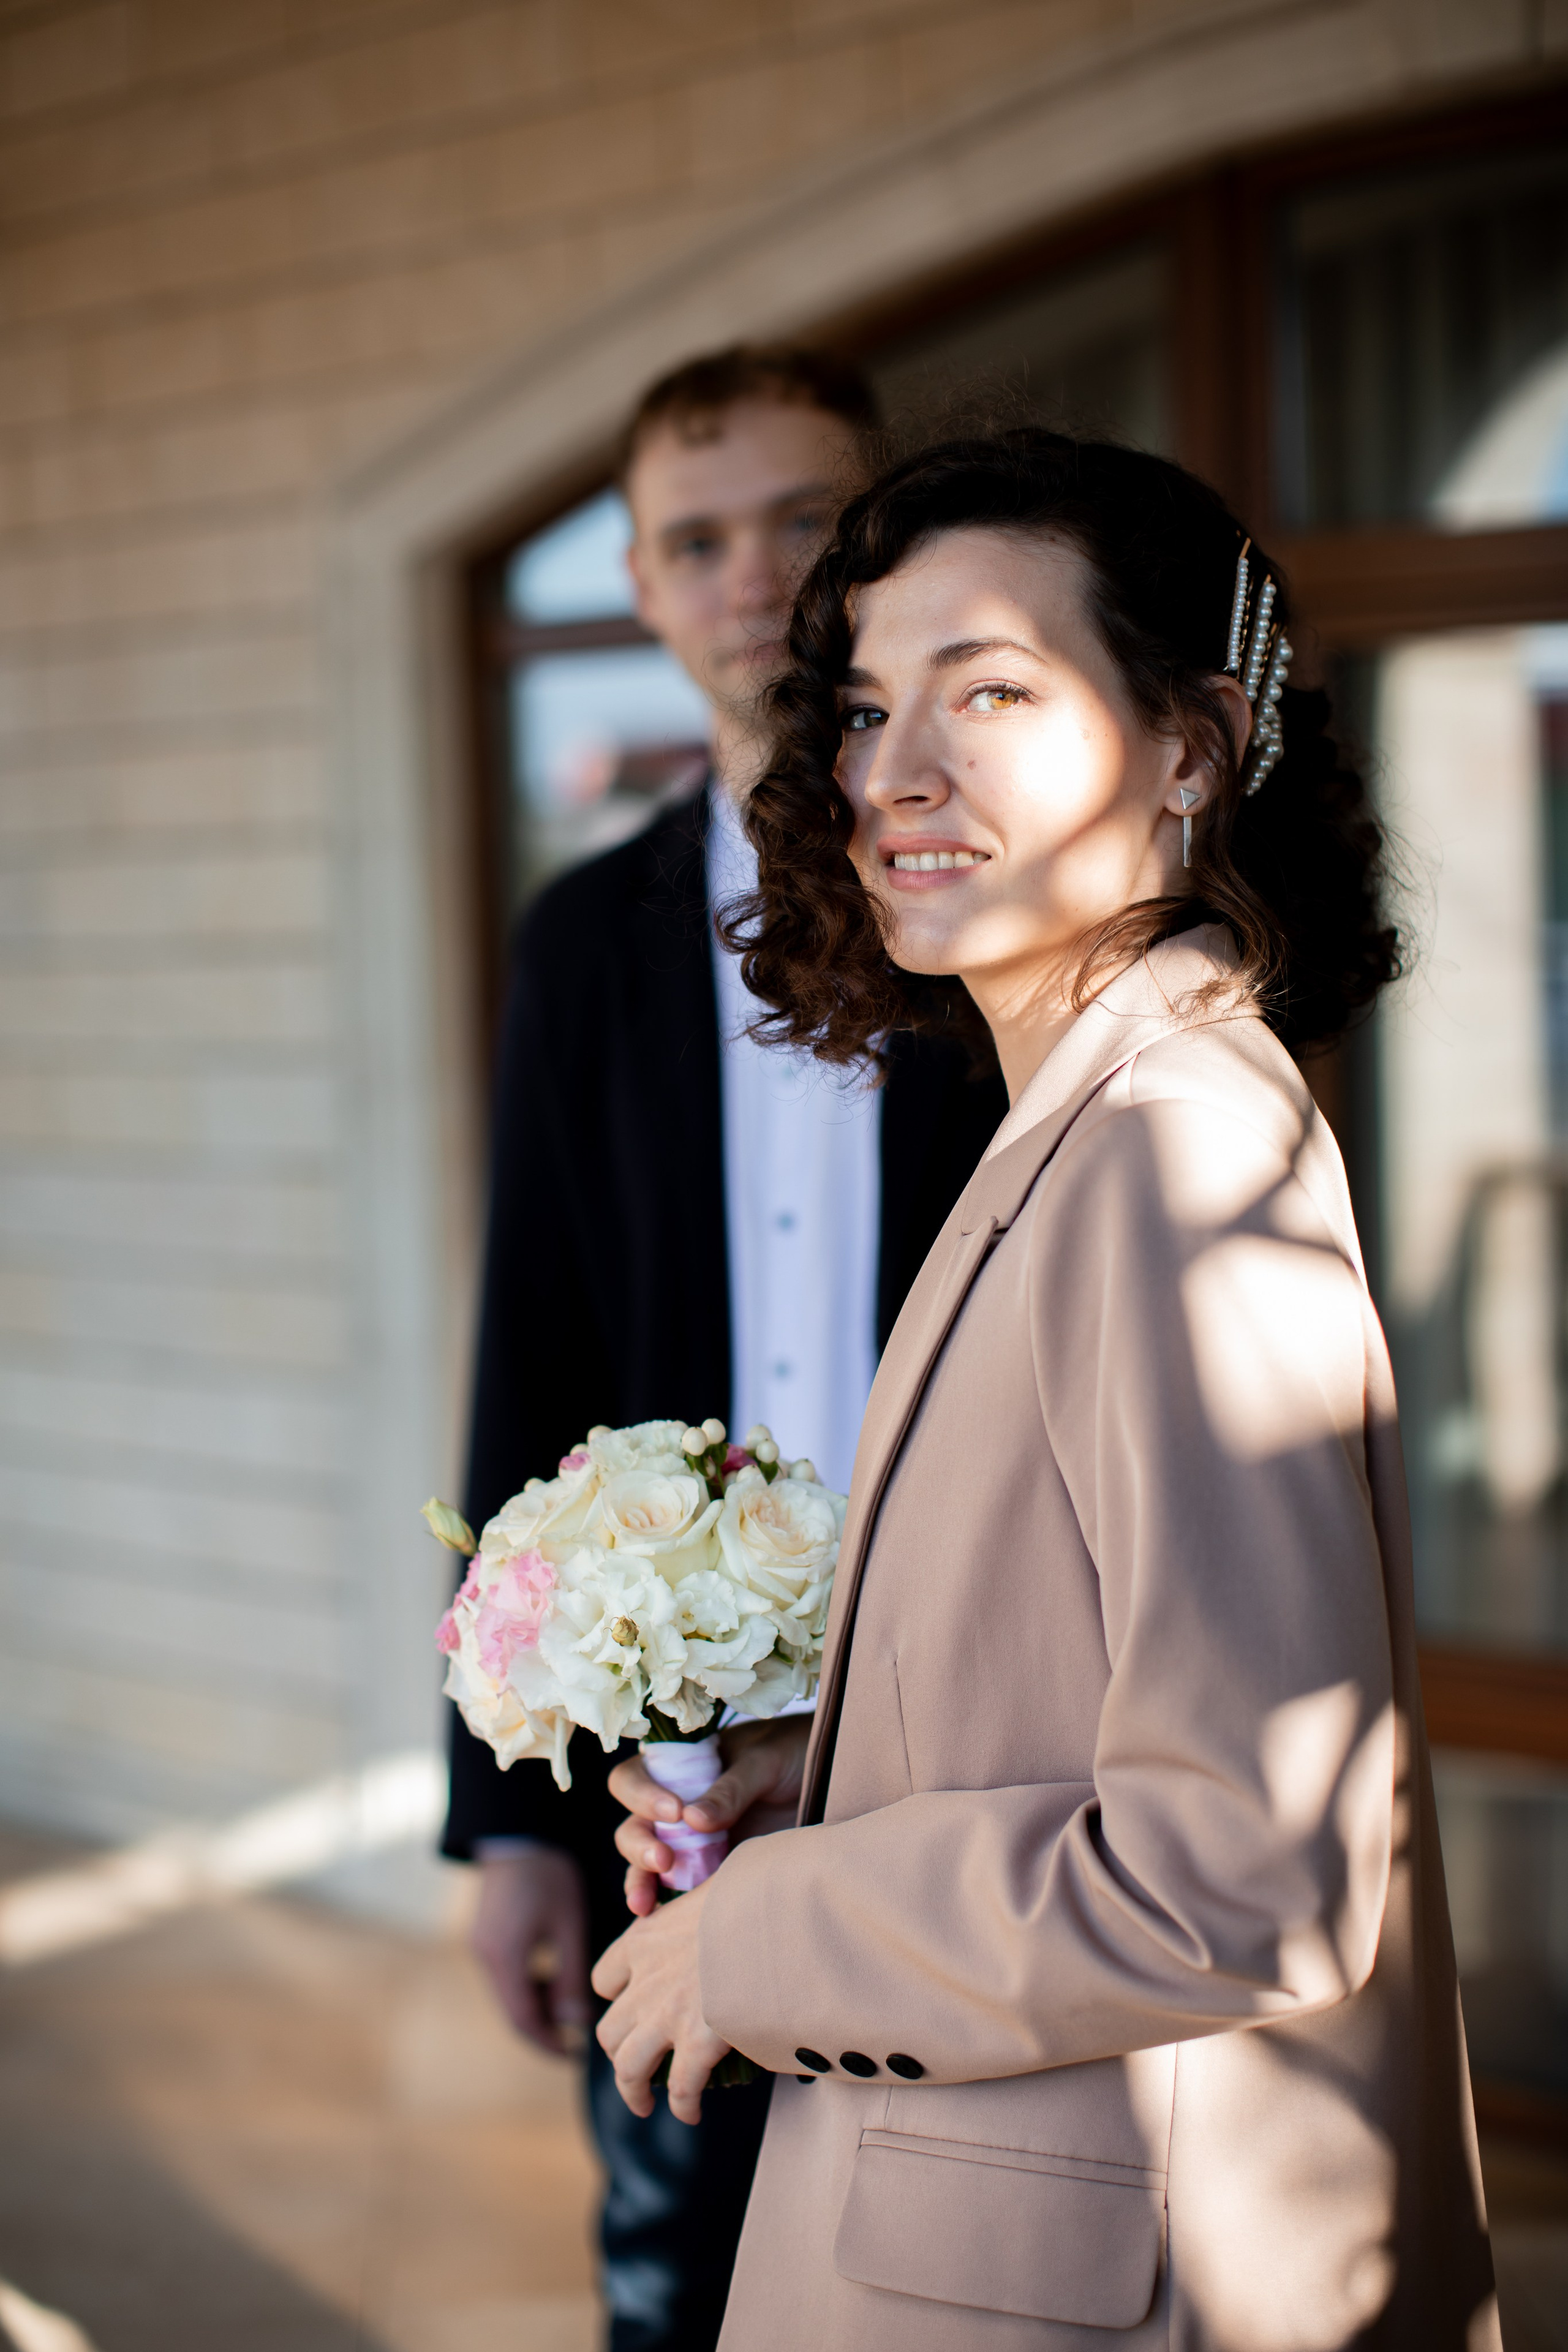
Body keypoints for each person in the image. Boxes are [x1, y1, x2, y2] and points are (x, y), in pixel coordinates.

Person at [591, 431, 1500, 2348]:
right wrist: (816, 1792)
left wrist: (758, 1940)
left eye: (989, 690)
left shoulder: (1163, 1156)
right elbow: (1102, 1709)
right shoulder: (1080, 1125)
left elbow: (1247, 1865)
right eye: (862, 708)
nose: (892, 775)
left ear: (1193, 747)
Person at [440, 352, 1007, 2352]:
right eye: (697, 538)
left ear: (880, 539)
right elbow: (534, 1355)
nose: (751, 572)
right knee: (677, 2266)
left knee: (964, 2273)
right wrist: (507, 1818)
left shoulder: (991, 898)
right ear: (646, 587)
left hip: (981, 1735)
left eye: (799, 518)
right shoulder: (583, 943)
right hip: (680, 1768)